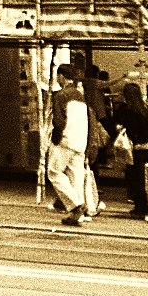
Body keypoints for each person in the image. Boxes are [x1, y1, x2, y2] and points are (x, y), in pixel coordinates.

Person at [47, 64, 91, 226]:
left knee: (54, 172)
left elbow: (58, 121)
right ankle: (78, 214)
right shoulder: (80, 96)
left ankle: (75, 205)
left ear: (62, 76)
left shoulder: (61, 95)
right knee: (75, 178)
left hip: (65, 140)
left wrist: (56, 139)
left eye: (57, 76)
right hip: (80, 142)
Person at [113, 81, 148, 217]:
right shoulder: (144, 108)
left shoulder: (129, 111)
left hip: (137, 149)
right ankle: (143, 207)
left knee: (136, 179)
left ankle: (141, 208)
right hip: (147, 148)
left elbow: (132, 132)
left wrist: (121, 128)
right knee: (143, 179)